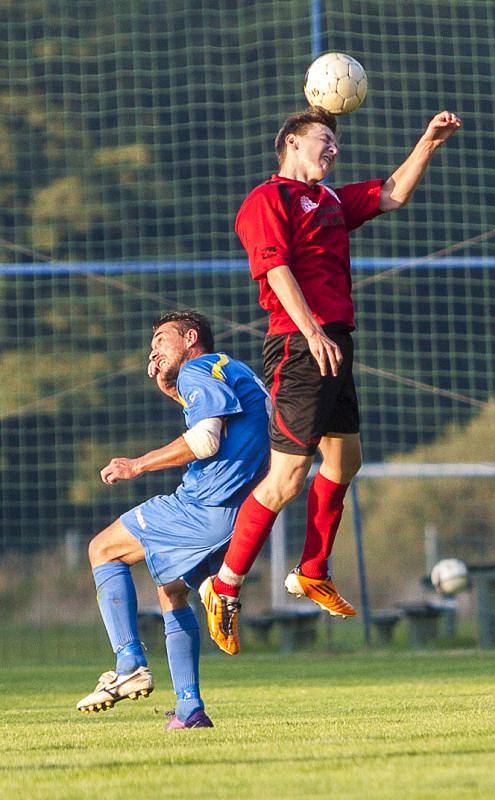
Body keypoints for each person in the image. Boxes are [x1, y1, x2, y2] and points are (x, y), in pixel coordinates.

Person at [200, 106, 462, 655]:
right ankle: (224, 586)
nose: (333, 149)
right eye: (324, 139)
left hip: (333, 342)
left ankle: (313, 569)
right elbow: (276, 269)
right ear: (292, 143)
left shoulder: (331, 201)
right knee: (287, 477)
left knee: (345, 461)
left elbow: (391, 194)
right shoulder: (266, 200)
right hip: (300, 345)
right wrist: (313, 331)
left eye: (335, 142)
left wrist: (429, 143)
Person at [76, 310, 270, 728]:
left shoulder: (197, 369)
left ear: (191, 337)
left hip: (202, 505)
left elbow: (205, 439)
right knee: (170, 590)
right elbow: (224, 423)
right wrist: (170, 386)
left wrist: (138, 465)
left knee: (103, 549)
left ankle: (128, 662)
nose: (154, 351)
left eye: (161, 341)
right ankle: (190, 709)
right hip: (241, 514)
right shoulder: (231, 369)